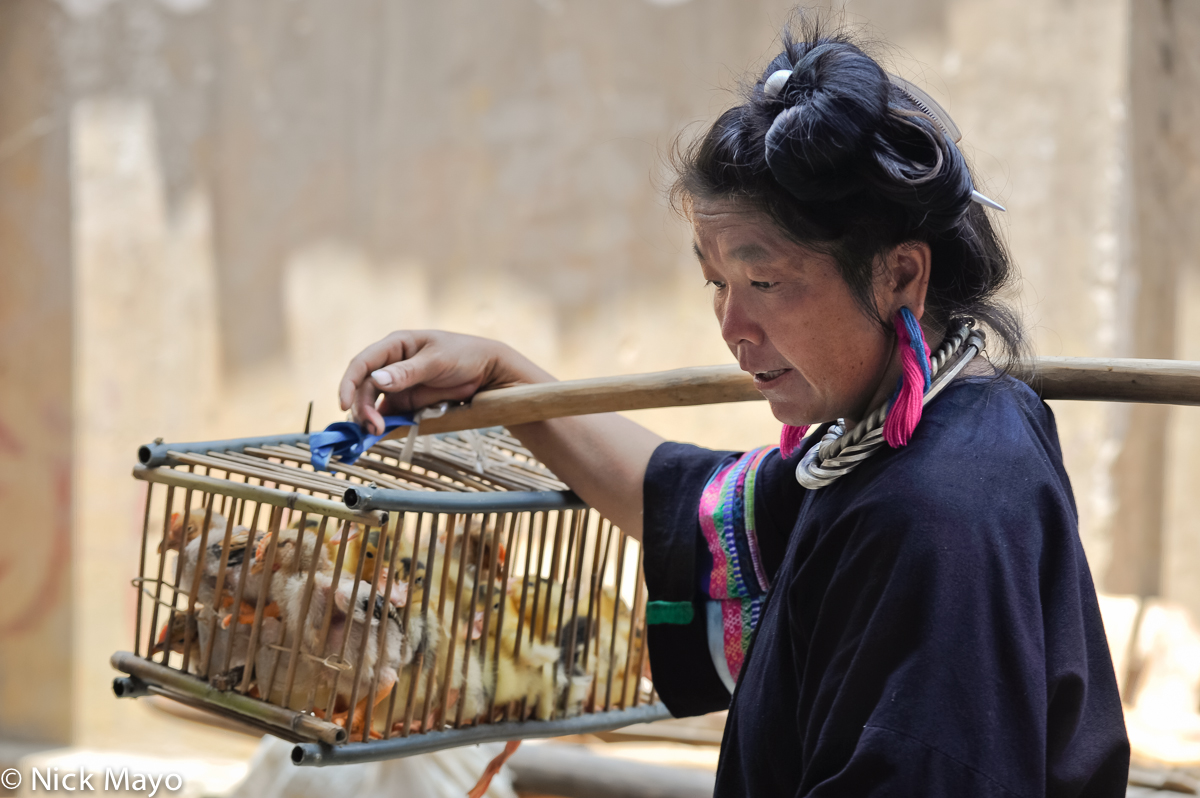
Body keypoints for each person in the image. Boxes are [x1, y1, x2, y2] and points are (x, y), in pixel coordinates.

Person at [337, 17, 1129, 797]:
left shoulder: (939, 512)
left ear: (900, 276)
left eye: (767, 283)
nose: (732, 329)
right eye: (717, 282)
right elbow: (690, 501)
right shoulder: (915, 435)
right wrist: (504, 378)